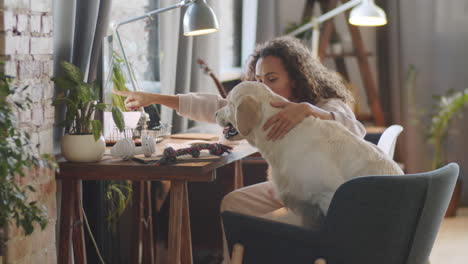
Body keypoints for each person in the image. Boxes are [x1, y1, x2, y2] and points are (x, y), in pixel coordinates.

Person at [114, 36, 366, 263]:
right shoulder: (263, 109)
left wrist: (310, 110)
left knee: (257, 229)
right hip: (290, 188)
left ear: (296, 77)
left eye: (272, 79)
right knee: (234, 204)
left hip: (326, 197)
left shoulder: (324, 103)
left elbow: (355, 130)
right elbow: (218, 105)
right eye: (259, 80)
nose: (264, 86)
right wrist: (155, 98)